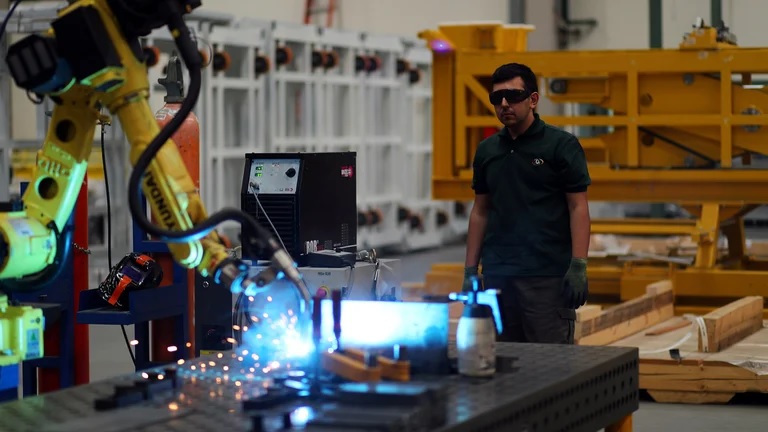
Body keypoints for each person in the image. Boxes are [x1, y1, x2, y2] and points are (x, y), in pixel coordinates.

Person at [462, 62, 591, 345]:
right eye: (497, 98)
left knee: (550, 362)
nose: (504, 104)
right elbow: (480, 211)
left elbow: (578, 207)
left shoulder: (561, 146)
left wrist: (579, 264)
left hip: (546, 278)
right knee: (502, 361)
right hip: (498, 278)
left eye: (513, 96)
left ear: (533, 100)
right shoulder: (487, 151)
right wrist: (471, 270)